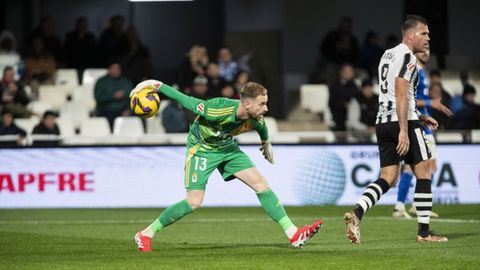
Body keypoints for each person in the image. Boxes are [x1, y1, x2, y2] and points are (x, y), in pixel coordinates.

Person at [132, 79, 322, 252]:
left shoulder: (255, 118)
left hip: (227, 147)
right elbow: (186, 100)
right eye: (262, 104)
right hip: (202, 149)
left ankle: (293, 234)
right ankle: (146, 234)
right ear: (247, 103)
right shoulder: (217, 110)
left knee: (261, 184)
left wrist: (266, 144)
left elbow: (262, 128)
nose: (266, 108)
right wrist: (156, 85)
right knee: (194, 201)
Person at [344, 15, 448, 243]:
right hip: (403, 123)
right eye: (424, 33)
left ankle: (357, 212)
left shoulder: (387, 54)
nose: (428, 38)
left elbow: (393, 94)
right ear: (411, 36)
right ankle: (424, 232)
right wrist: (405, 128)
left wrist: (420, 115)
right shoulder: (408, 57)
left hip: (383, 121)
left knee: (388, 177)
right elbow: (401, 91)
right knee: (423, 172)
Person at [392, 47, 452, 219]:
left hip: (423, 124)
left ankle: (412, 206)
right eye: (423, 49)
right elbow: (406, 99)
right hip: (417, 124)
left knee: (427, 167)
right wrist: (430, 103)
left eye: (428, 49)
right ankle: (401, 206)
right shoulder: (413, 71)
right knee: (416, 168)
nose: (427, 51)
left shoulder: (422, 72)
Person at [94, 62, 133, 130]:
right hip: (106, 111)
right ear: (109, 70)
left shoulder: (126, 82)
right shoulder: (101, 81)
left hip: (123, 110)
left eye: (117, 69)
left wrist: (128, 110)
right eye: (113, 69)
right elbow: (98, 98)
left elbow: (133, 98)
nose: (116, 71)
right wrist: (113, 96)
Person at [64, 16, 97, 82]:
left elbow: (94, 52)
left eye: (84, 25)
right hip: (73, 65)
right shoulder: (70, 36)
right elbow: (67, 51)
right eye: (81, 25)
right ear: (77, 26)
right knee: (73, 82)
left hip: (87, 66)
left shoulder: (91, 37)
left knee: (87, 83)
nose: (82, 27)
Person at [328, 63, 359, 131]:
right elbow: (332, 102)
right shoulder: (335, 85)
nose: (347, 73)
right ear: (341, 72)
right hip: (339, 115)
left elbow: (357, 98)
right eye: (345, 71)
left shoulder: (355, 86)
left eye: (350, 72)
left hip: (354, 114)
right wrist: (345, 104)